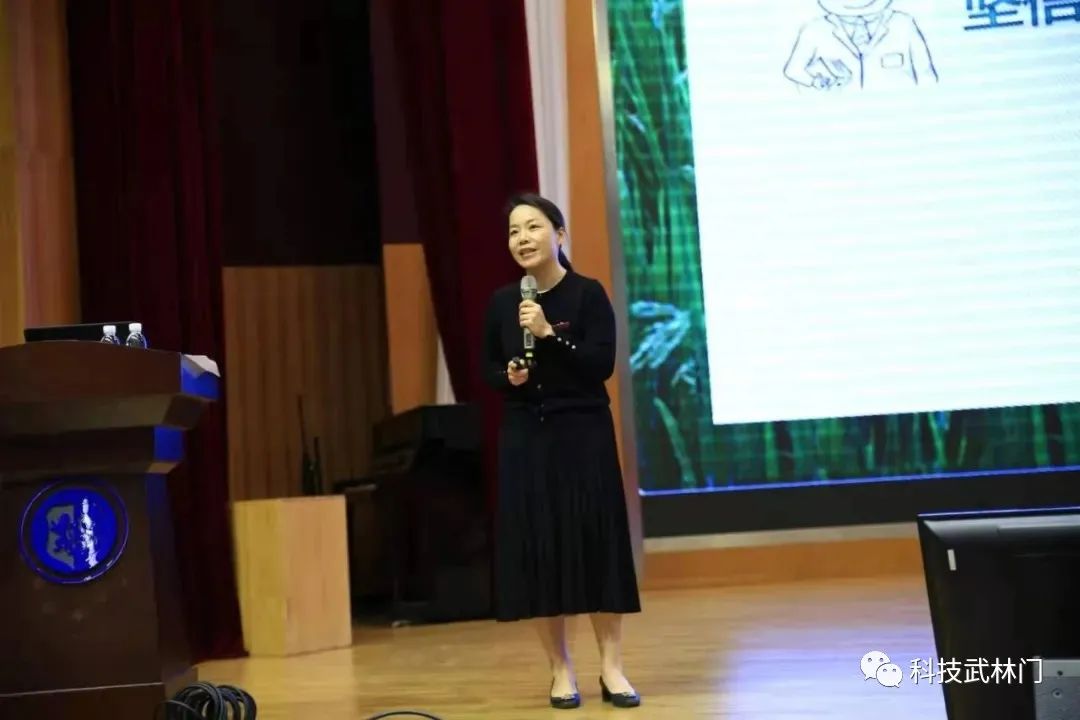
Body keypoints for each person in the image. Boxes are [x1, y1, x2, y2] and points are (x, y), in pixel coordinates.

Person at [482, 192, 642, 710]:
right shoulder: (503, 303)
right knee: (542, 550)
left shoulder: (587, 295)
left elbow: (600, 366)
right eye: (513, 231)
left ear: (560, 234)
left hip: (584, 435)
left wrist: (548, 335)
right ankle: (560, 669)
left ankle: (612, 668)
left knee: (596, 546)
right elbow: (488, 368)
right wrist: (509, 374)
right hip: (526, 437)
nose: (522, 239)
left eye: (532, 227)